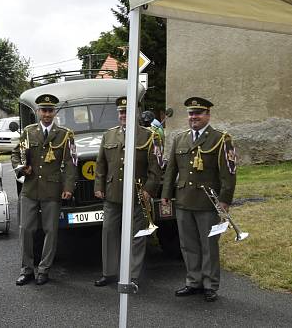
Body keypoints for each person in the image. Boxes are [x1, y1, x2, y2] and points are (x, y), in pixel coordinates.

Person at [162, 97, 237, 303]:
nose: (193, 117)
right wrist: (166, 195)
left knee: (209, 246)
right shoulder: (180, 139)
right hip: (184, 200)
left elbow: (228, 174)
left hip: (207, 202)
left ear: (208, 115)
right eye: (190, 113)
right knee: (188, 245)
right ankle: (193, 281)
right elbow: (171, 171)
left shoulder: (221, 139)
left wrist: (225, 200)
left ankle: (210, 285)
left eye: (198, 113)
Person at [93, 97, 162, 288]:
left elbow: (156, 168)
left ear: (137, 114)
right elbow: (101, 164)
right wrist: (98, 186)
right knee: (109, 232)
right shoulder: (109, 135)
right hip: (112, 192)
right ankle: (109, 273)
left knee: (137, 236)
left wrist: (148, 190)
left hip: (137, 194)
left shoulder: (150, 136)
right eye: (121, 112)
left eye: (128, 112)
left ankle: (132, 276)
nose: (124, 115)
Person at [12, 94, 77, 286]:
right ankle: (26, 269)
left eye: (50, 110)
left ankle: (44, 270)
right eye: (43, 110)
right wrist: (22, 167)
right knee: (26, 229)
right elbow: (16, 154)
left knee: (51, 230)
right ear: (38, 112)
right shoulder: (28, 132)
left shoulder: (65, 134)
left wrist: (68, 187)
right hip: (30, 187)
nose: (47, 114)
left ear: (55, 112)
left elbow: (71, 162)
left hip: (52, 188)